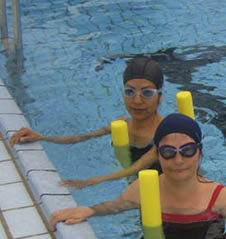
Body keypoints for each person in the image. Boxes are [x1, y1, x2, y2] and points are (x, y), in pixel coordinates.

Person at [49, 113, 226, 239]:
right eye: (168, 152)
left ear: (199, 152)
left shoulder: (221, 197)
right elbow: (116, 206)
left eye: (187, 150)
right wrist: (89, 210)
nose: (178, 160)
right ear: (157, 154)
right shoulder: (143, 189)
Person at [11, 56, 166, 189]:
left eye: (147, 93)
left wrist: (91, 181)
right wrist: (42, 137)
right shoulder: (122, 123)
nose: (137, 100)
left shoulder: (166, 133)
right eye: (129, 92)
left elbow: (135, 168)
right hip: (133, 187)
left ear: (159, 97)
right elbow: (81, 138)